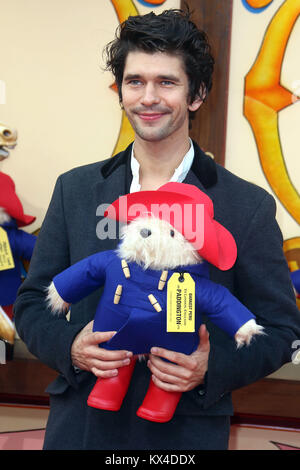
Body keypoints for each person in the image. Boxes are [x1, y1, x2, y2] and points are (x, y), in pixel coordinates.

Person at [14, 9, 300, 450]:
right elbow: (34, 302)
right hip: (82, 428)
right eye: (135, 81)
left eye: (166, 82)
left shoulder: (246, 205)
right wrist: (71, 345)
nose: (148, 97)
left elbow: (280, 329)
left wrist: (212, 365)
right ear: (121, 91)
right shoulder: (76, 189)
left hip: (184, 434)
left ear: (197, 94)